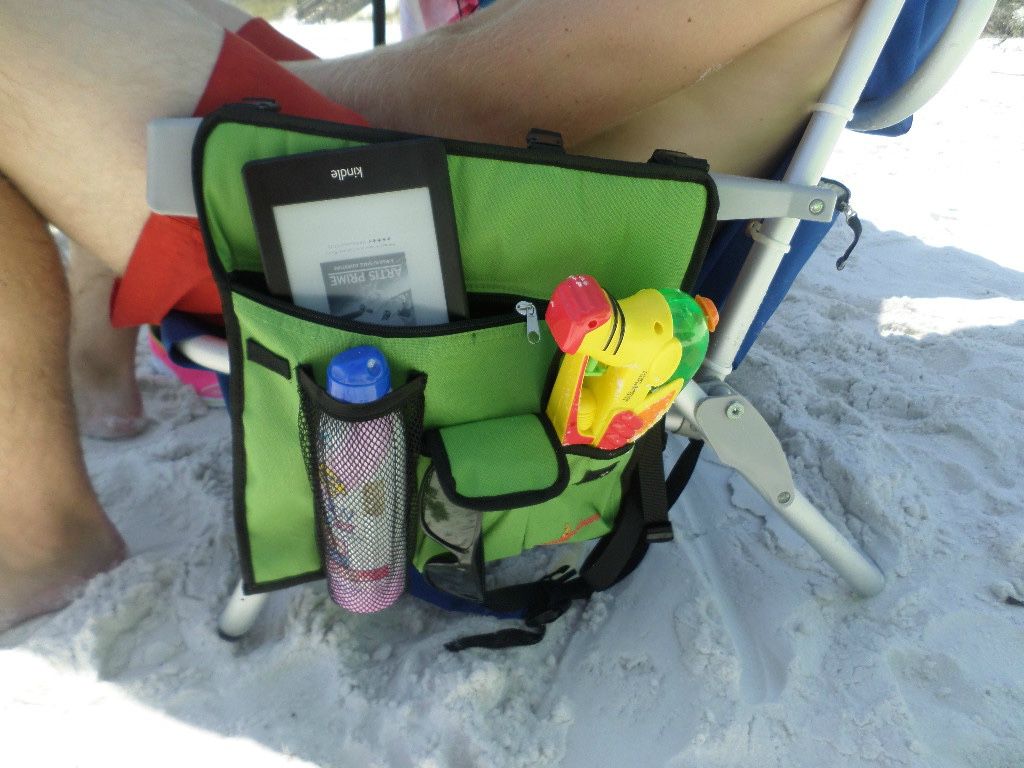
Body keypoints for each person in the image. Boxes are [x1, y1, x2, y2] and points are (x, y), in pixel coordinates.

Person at [0, 0, 867, 632]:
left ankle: (45, 535)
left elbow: (471, 94)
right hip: (498, 210)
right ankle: (92, 358)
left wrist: (215, 121)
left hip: (481, 249)